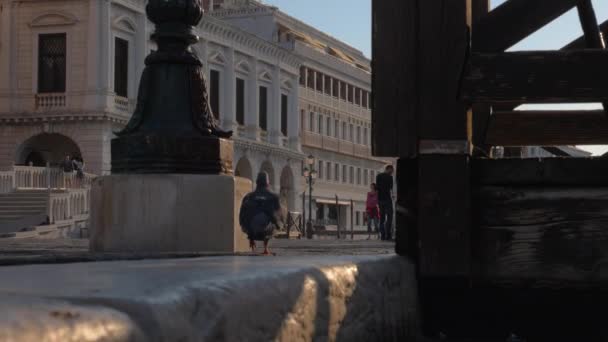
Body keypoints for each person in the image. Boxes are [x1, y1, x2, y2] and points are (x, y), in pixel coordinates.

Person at [239, 172, 282, 255]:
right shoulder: (273, 197)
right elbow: (277, 215)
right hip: (265, 231)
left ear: (257, 182)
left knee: (251, 217)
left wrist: (244, 226)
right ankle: (265, 248)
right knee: (272, 220)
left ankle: (251, 239)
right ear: (267, 183)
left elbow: (242, 215)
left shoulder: (248, 196)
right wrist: (279, 225)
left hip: (249, 229)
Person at [376, 165, 394, 241]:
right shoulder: (390, 177)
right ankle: (388, 235)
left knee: (382, 218)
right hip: (387, 199)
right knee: (390, 216)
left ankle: (383, 235)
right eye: (392, 171)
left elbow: (377, 188)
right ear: (388, 169)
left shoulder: (378, 176)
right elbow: (390, 188)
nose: (392, 172)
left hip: (380, 199)